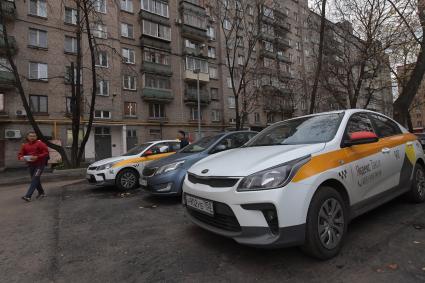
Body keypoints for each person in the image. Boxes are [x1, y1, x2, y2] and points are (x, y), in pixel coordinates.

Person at [18, 132, 49, 202]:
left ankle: (28, 196)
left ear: (36, 137)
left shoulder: (40, 144)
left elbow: (46, 153)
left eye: (34, 136)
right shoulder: (25, 145)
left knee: (35, 178)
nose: (32, 137)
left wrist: (37, 157)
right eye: (30, 136)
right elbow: (20, 154)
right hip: (31, 165)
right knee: (35, 179)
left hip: (40, 165)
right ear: (27, 137)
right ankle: (41, 193)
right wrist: (21, 158)